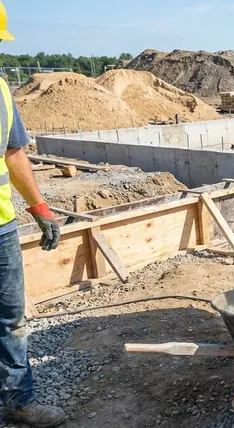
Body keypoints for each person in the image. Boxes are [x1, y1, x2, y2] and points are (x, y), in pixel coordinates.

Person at [0, 2, 67, 427]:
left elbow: (13, 151)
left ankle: (18, 402)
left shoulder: (0, 89)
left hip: (0, 225)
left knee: (9, 319)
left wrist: (40, 209)